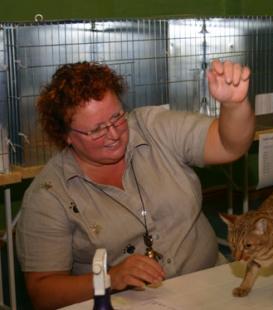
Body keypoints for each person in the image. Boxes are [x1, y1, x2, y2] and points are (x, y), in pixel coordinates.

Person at [16, 59, 255, 309]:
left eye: (117, 117)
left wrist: (234, 106)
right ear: (65, 135)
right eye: (96, 130)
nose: (113, 134)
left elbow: (229, 146)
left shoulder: (152, 127)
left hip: (208, 282)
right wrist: (110, 278)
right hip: (127, 303)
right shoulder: (49, 196)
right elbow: (42, 292)